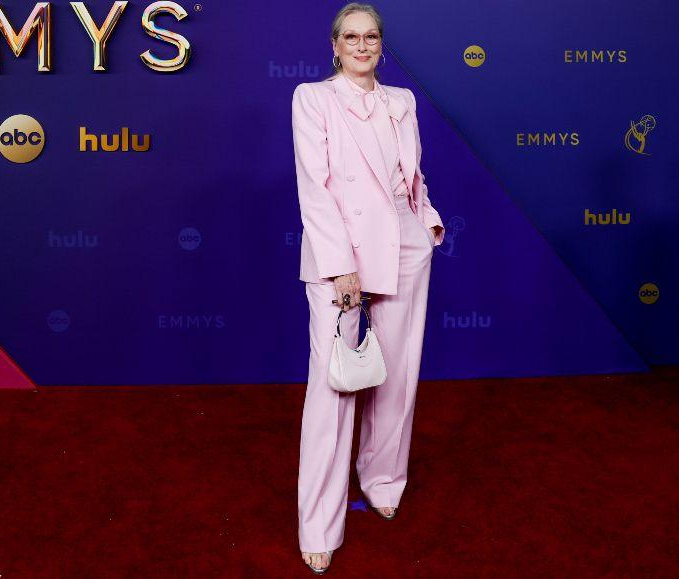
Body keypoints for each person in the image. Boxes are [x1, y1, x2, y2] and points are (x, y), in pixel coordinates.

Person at [291, 2, 445, 574]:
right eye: (351, 36)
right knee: (333, 386)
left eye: (371, 36)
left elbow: (410, 175)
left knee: (399, 373)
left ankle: (383, 479)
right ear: (335, 45)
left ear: (381, 45)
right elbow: (316, 187)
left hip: (405, 245)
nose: (362, 44)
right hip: (343, 256)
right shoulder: (312, 98)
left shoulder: (401, 101)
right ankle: (319, 522)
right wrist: (339, 265)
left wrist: (426, 218)